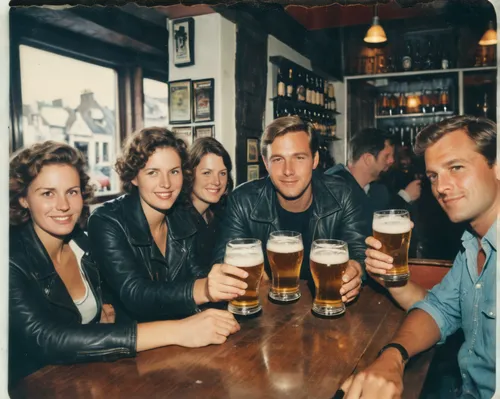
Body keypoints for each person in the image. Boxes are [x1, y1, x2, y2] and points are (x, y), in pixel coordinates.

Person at [9, 141, 240, 384]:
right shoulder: (11, 259)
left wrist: (103, 312)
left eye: (72, 191)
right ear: (23, 198)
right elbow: (47, 339)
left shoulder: (81, 245)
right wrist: (178, 330)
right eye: (48, 193)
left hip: (88, 378)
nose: (63, 205)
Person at [340, 116, 498, 399]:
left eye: (456, 168)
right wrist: (393, 355)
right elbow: (439, 310)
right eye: (434, 176)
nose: (442, 187)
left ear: (497, 166)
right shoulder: (472, 244)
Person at [210, 115, 369, 303]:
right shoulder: (243, 200)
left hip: (329, 304)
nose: (288, 170)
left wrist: (355, 270)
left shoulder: (343, 194)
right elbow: (225, 260)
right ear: (266, 162)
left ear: (315, 159)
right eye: (277, 159)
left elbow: (359, 253)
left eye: (299, 158)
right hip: (266, 307)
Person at [87, 128, 240, 322]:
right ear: (134, 176)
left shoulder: (181, 215)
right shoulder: (107, 221)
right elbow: (135, 293)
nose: (166, 183)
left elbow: (196, 273)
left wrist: (221, 281)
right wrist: (205, 289)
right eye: (153, 173)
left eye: (174, 172)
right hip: (134, 339)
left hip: (181, 329)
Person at [325, 128, 421, 214]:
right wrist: (405, 196)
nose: (392, 160)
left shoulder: (378, 190)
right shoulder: (333, 188)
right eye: (386, 156)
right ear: (368, 159)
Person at [187, 137, 234, 272]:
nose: (217, 181)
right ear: (190, 174)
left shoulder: (221, 214)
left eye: (222, 173)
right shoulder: (177, 218)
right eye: (207, 173)